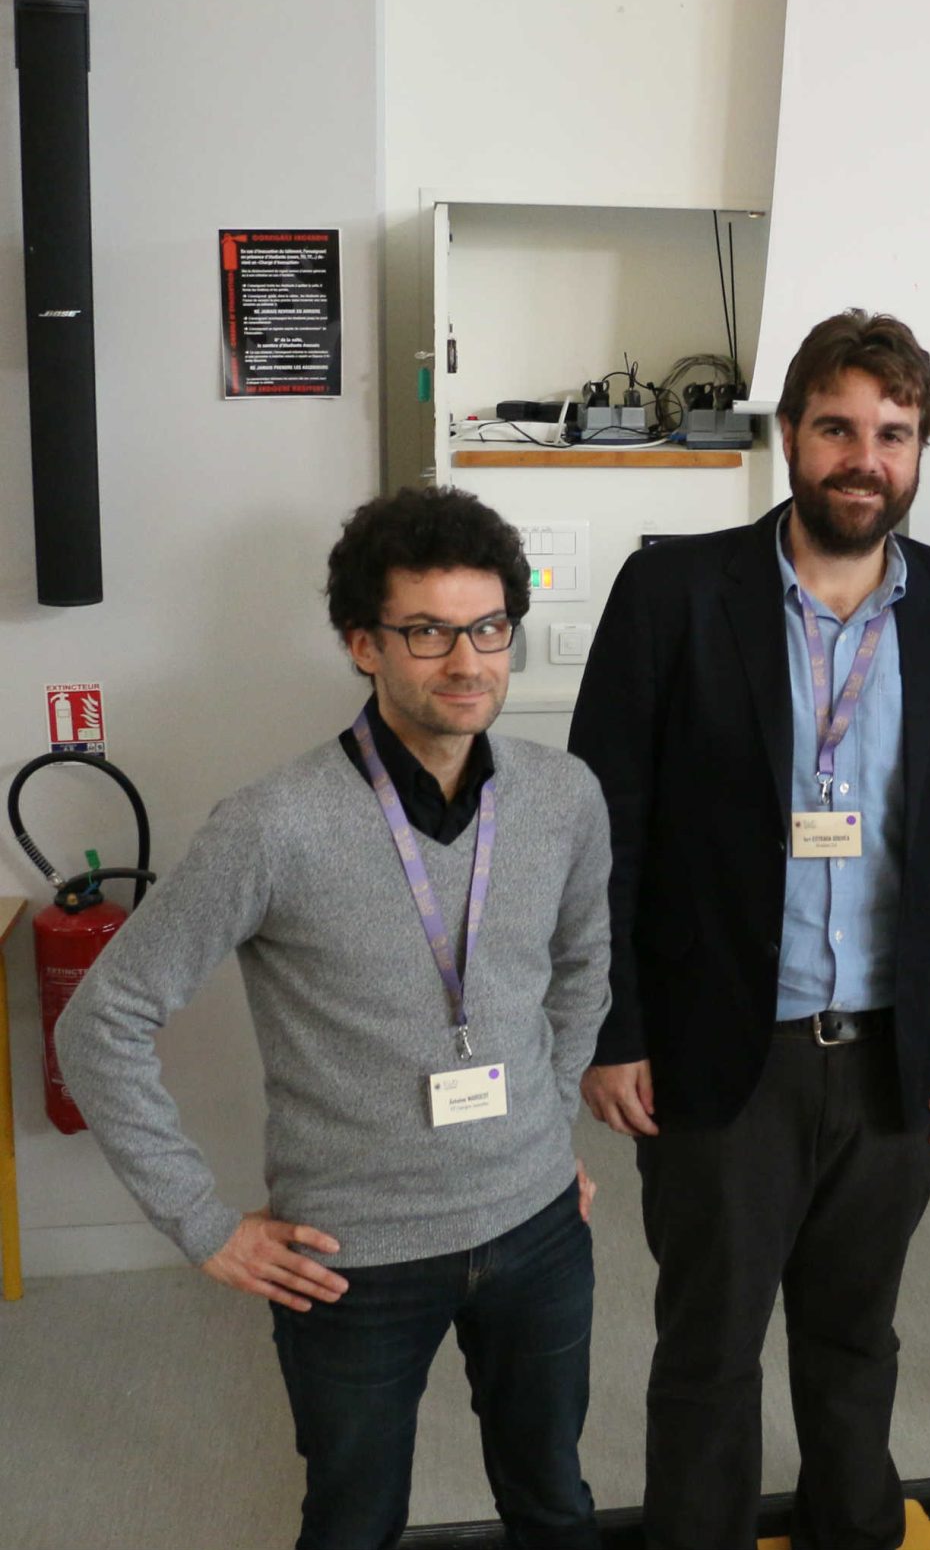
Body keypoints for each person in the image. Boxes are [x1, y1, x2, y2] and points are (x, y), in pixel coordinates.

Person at [57, 486, 611, 1550]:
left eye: (489, 627)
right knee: (354, 1523)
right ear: (364, 644)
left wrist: (544, 1120)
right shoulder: (272, 825)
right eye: (427, 631)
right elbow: (100, 1022)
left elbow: (583, 967)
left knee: (555, 1503)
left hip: (539, 1229)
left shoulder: (564, 797)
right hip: (353, 1257)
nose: (467, 660)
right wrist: (202, 1223)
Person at [568, 309, 930, 1550]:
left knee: (855, 1333)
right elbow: (602, 830)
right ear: (788, 433)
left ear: (920, 448)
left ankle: (854, 1528)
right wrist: (611, 1027)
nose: (863, 458)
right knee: (710, 1345)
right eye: (837, 427)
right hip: (721, 1048)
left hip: (898, 1050)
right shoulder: (673, 591)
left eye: (893, 432)